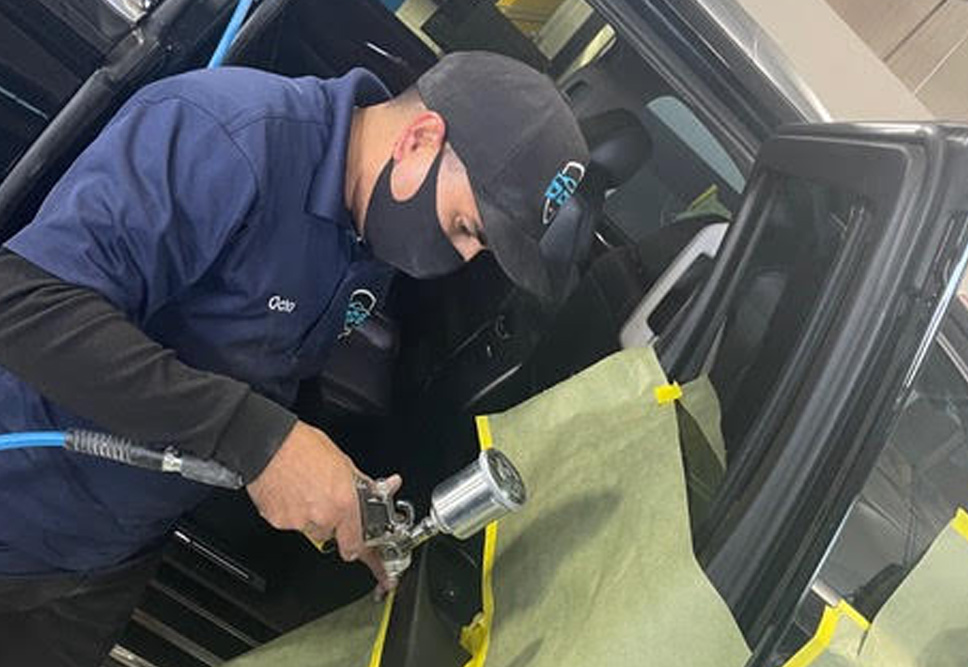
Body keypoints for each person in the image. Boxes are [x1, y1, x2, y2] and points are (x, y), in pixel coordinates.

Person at [0, 51, 588, 666]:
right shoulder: (228, 138)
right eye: (468, 227)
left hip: (104, 563)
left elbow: (274, 370)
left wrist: (335, 487)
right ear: (420, 139)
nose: (464, 256)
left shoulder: (367, 237)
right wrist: (262, 442)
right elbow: (23, 306)